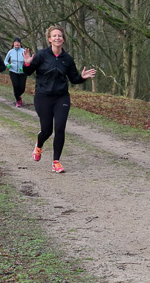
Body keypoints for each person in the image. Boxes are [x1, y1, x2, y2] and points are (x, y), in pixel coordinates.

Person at [22, 25, 96, 173]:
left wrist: (82, 77)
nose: (57, 38)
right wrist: (28, 62)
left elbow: (74, 79)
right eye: (54, 36)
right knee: (47, 130)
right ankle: (39, 145)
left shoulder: (67, 59)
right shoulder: (42, 55)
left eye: (60, 36)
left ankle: (56, 161)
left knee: (60, 128)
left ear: (63, 39)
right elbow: (28, 72)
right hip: (43, 97)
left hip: (61, 97)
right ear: (49, 39)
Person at [4, 37, 26, 107]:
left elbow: (27, 60)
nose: (17, 44)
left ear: (20, 44)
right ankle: (18, 100)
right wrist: (7, 65)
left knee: (22, 88)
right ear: (13, 43)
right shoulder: (10, 52)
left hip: (22, 72)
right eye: (15, 42)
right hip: (13, 71)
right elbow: (5, 60)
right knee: (16, 86)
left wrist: (25, 66)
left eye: (18, 42)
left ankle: (18, 96)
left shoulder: (24, 51)